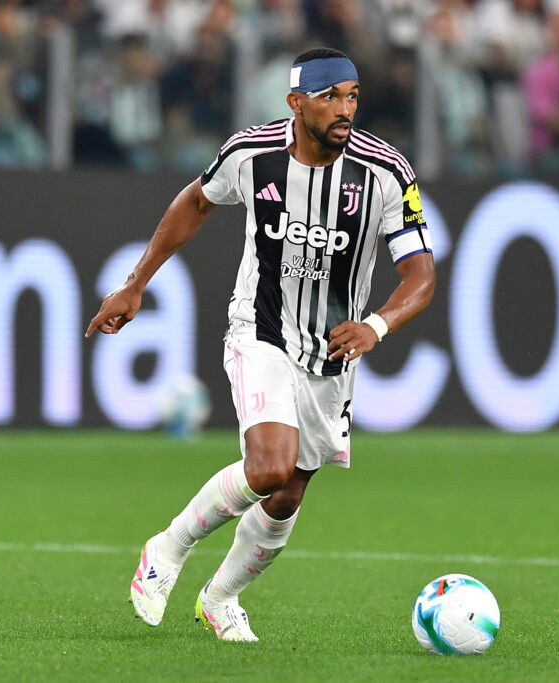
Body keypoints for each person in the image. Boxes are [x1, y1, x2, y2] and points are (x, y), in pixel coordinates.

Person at [84, 46, 436, 642]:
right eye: (329, 97)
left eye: (352, 97)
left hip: (332, 352)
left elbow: (420, 275)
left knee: (289, 491)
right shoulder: (251, 153)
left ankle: (221, 598)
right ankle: (167, 549)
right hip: (261, 329)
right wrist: (135, 283)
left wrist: (375, 325)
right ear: (296, 102)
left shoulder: (385, 172)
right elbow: (196, 201)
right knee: (270, 466)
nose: (344, 109)